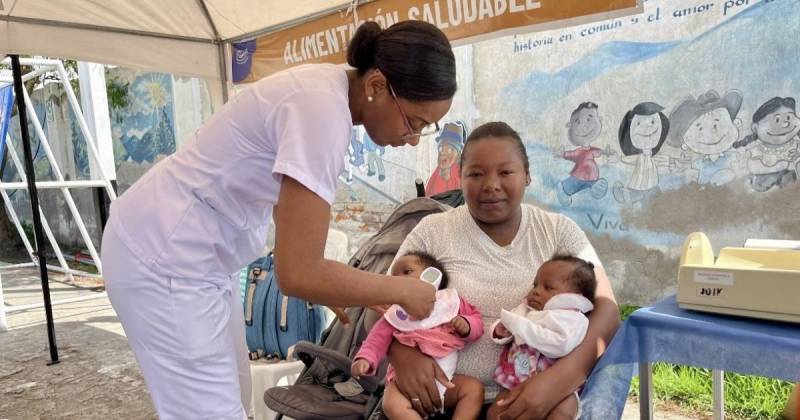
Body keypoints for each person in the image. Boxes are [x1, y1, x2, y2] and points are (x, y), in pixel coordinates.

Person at [100, 20, 456, 420]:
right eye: (414, 122)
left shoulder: (325, 92)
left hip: (193, 257)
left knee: (234, 400)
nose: (413, 139)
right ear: (376, 86)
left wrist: (343, 285)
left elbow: (287, 217)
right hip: (165, 256)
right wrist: (401, 290)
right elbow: (298, 272)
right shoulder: (321, 112)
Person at [382, 122, 620, 419]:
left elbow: (608, 311)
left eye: (506, 172)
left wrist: (556, 383)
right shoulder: (433, 231)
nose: (491, 185)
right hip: (443, 399)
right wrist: (402, 355)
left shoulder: (558, 232)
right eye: (476, 174)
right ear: (460, 177)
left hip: (531, 404)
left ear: (527, 175)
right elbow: (380, 302)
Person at [351, 252, 485, 420]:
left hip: (447, 382)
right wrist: (364, 359)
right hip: (405, 387)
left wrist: (467, 325)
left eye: (407, 272)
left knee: (473, 390)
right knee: (391, 404)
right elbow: (376, 340)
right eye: (394, 277)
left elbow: (477, 323)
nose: (398, 279)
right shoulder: (396, 314)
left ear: (432, 275)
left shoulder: (450, 302)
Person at [487, 255, 597, 420]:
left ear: (575, 296)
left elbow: (560, 344)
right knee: (495, 413)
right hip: (516, 378)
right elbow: (510, 321)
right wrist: (501, 330)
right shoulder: (527, 309)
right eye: (535, 285)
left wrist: (521, 327)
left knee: (562, 413)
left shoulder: (572, 318)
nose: (536, 291)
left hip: (558, 388)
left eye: (548, 287)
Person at [732, 96, 799, 192]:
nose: (786, 124)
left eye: (789, 117)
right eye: (777, 120)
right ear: (755, 128)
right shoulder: (755, 151)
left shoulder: (796, 146)